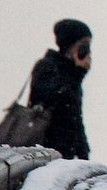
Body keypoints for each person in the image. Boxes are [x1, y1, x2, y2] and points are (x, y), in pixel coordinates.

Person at [29, 18, 92, 160]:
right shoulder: (48, 66)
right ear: (70, 45)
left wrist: (83, 152)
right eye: (83, 45)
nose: (87, 51)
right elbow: (53, 98)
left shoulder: (72, 72)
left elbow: (75, 117)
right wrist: (78, 74)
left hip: (70, 151)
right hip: (48, 148)